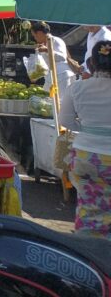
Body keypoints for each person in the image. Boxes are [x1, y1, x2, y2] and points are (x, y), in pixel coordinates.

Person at [61, 40, 111, 238]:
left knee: (88, 205)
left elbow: (65, 121)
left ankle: (86, 246)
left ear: (92, 63)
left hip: (85, 155)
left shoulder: (77, 88)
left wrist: (88, 129)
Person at [31, 21, 74, 96]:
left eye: (35, 36)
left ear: (39, 33)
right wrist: (35, 75)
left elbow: (62, 57)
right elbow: (43, 64)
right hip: (50, 77)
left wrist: (47, 50)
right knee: (50, 100)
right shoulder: (41, 46)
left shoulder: (56, 40)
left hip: (62, 76)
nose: (35, 38)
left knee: (62, 100)